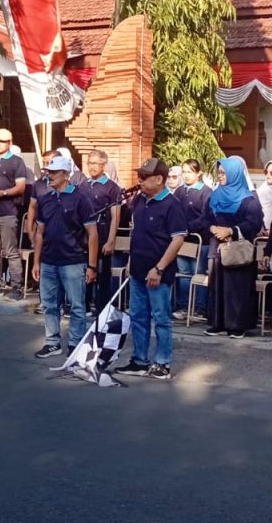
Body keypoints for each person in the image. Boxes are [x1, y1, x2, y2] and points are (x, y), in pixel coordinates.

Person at [115, 158, 187, 380]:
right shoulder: (139, 201)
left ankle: (163, 363)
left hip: (158, 272)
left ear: (159, 179)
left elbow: (178, 239)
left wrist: (159, 268)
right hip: (137, 268)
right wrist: (129, 261)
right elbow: (136, 232)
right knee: (138, 316)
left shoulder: (171, 204)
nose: (140, 181)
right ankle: (139, 360)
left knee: (161, 318)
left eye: (145, 177)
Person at [30, 155, 99, 358]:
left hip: (73, 261)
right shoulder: (45, 199)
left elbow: (92, 233)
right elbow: (40, 233)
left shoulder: (80, 198)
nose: (49, 175)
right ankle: (53, 342)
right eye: (48, 172)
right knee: (49, 305)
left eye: (53, 172)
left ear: (65, 174)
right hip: (49, 261)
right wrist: (36, 261)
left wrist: (92, 266)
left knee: (77, 306)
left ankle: (76, 343)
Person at [197, 157, 264, 338]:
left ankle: (237, 325)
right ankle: (217, 323)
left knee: (237, 288)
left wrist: (231, 230)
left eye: (224, 173)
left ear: (234, 174)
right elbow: (204, 217)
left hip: (237, 249)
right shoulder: (214, 196)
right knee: (217, 286)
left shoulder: (249, 199)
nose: (220, 176)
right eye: (219, 173)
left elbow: (254, 223)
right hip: (217, 248)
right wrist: (212, 228)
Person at [0, 128, 27, 299]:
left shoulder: (17, 162)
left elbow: (21, 187)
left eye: (1, 141)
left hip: (8, 213)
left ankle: (16, 287)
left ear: (9, 143)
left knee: (11, 252)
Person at [171, 159, 212, 321]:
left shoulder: (206, 192)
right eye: (185, 172)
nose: (187, 175)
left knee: (198, 273)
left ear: (198, 173)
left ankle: (199, 308)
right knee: (184, 274)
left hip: (200, 240)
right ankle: (183, 306)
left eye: (190, 172)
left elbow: (206, 216)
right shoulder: (179, 191)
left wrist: (189, 228)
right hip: (182, 240)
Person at [82, 149, 122, 314]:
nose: (92, 167)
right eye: (90, 163)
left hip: (103, 233)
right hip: (84, 236)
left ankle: (102, 308)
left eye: (96, 163)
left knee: (102, 273)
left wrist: (111, 240)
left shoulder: (112, 188)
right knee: (84, 271)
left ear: (104, 165)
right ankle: (84, 305)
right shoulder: (82, 186)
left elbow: (115, 216)